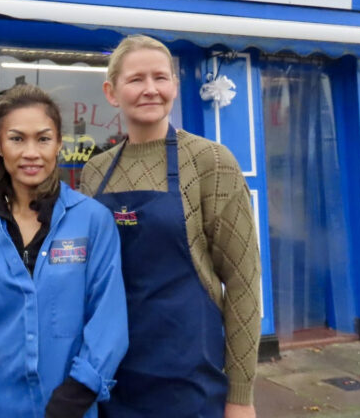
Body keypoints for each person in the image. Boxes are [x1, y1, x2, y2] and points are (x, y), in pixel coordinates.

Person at [77, 35, 261, 418]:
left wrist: (241, 396)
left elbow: (244, 283)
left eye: (160, 78)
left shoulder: (211, 162)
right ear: (112, 92)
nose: (150, 90)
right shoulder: (96, 172)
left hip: (191, 377)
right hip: (114, 375)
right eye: (136, 79)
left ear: (175, 87)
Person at [0, 84, 129, 418]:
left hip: (67, 404)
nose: (31, 152)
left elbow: (108, 318)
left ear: (59, 144)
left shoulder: (92, 221)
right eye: (17, 138)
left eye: (43, 138)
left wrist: (77, 393)